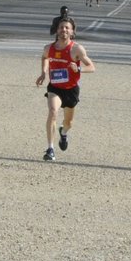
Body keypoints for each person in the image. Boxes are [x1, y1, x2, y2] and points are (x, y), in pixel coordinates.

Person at [36, 17, 95, 161]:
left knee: (68, 123)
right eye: (61, 27)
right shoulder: (48, 48)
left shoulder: (76, 49)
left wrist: (79, 68)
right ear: (57, 30)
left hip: (71, 89)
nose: (64, 30)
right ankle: (50, 149)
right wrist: (44, 72)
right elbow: (44, 57)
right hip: (55, 88)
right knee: (53, 111)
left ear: (72, 31)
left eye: (67, 28)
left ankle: (63, 132)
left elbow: (92, 67)